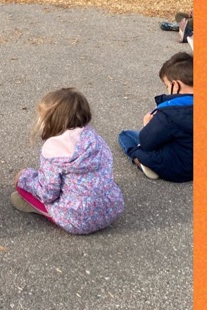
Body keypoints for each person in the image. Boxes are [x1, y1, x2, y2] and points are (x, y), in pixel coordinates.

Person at [12, 88, 125, 234]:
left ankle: (35, 206)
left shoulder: (53, 150)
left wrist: (24, 179)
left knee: (23, 184)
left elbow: (48, 193)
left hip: (78, 220)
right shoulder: (95, 139)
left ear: (51, 121)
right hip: (111, 209)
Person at [118, 51, 193, 182]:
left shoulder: (170, 112)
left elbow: (147, 142)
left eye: (167, 85)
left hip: (180, 169)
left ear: (176, 85)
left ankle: (140, 162)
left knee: (126, 136)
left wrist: (147, 124)